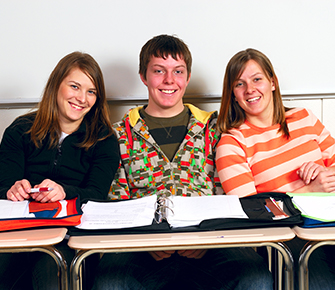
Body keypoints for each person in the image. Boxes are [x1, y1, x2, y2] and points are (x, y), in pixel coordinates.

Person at [92, 35, 273, 290]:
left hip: (209, 245)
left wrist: (205, 239)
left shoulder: (213, 128)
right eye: (158, 71)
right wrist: (147, 241)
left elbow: (225, 191)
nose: (169, 80)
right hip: (141, 248)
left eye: (178, 71)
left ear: (187, 77)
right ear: (144, 76)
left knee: (256, 276)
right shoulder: (120, 134)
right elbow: (117, 202)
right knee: (109, 282)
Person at [215, 48, 335, 289]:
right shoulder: (232, 142)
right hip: (290, 243)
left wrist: (324, 173)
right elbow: (251, 211)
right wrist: (310, 192)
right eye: (239, 84)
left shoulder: (304, 117)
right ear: (233, 94)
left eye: (257, 79)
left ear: (272, 82)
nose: (250, 89)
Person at [0, 51, 120, 289]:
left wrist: (64, 191)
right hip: (17, 235)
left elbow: (97, 194)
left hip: (70, 240)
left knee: (52, 277)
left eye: (91, 91)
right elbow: (3, 186)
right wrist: (13, 189)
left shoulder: (104, 140)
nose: (82, 98)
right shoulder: (20, 130)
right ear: (56, 85)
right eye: (74, 86)